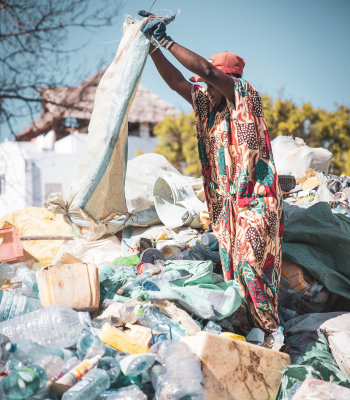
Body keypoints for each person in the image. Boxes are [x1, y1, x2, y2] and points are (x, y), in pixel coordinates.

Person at [139, 11, 283, 332]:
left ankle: (273, 334)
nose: (204, 83)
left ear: (225, 78)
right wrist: (150, 49)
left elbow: (202, 67)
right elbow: (179, 81)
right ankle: (253, 336)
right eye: (204, 82)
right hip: (228, 211)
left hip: (255, 203)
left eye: (210, 79)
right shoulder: (207, 104)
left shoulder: (243, 96)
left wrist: (165, 40)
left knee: (254, 271)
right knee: (234, 278)